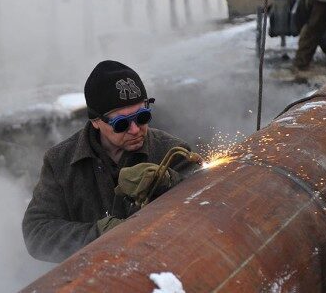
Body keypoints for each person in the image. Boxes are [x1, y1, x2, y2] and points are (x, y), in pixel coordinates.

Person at [22, 60, 198, 262]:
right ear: (96, 121)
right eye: (121, 123)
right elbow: (36, 233)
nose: (134, 130)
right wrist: (100, 234)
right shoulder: (61, 162)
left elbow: (202, 206)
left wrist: (168, 181)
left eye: (142, 117)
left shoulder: (172, 152)